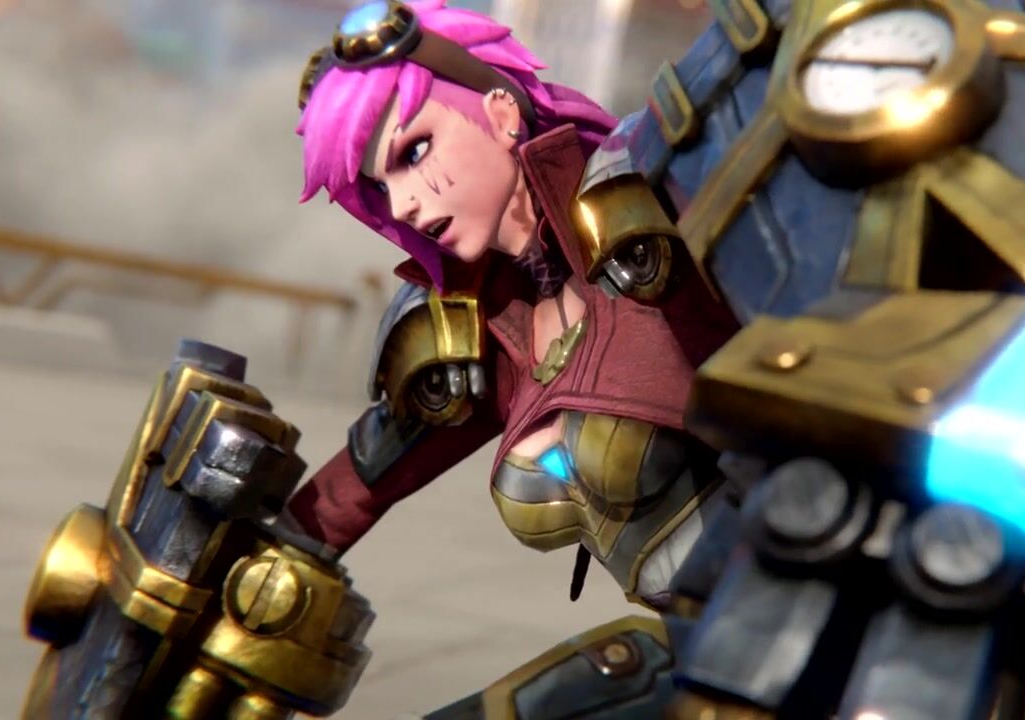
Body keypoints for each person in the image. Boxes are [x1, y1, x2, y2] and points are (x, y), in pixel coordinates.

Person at [284, 0, 739, 610]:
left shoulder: (651, 218)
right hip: (701, 637)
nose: (403, 204)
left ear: (502, 114)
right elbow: (349, 495)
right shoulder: (481, 330)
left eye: (414, 153)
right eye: (381, 185)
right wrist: (252, 557)